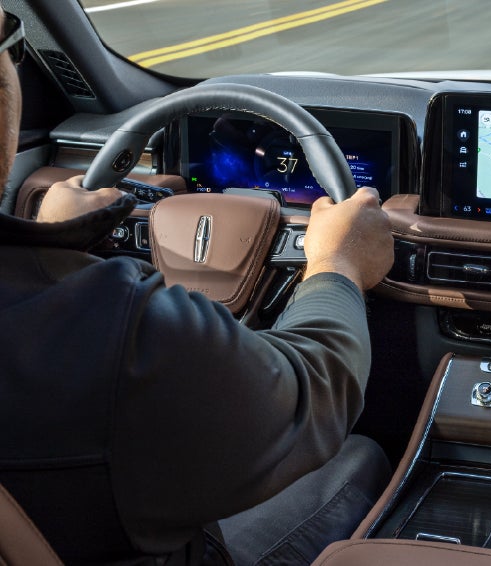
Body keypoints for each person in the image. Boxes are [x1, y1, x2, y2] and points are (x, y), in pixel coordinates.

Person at [0, 6, 395, 565]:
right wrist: (338, 263)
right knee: (356, 453)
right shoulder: (116, 328)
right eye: (11, 43)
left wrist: (53, 246)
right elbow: (315, 396)